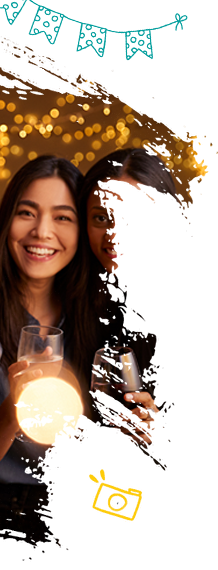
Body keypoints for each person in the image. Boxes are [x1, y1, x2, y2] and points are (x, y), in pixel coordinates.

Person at [0, 155, 103, 569]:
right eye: (26, 213)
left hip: (91, 503)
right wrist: (15, 409)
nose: (42, 232)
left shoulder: (104, 314)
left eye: (63, 217)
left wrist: (126, 520)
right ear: (6, 221)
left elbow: (127, 465)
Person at [73, 147, 217, 569]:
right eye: (101, 218)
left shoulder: (177, 304)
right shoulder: (121, 294)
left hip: (190, 540)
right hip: (140, 515)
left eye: (133, 219)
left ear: (166, 222)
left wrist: (166, 436)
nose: (114, 236)